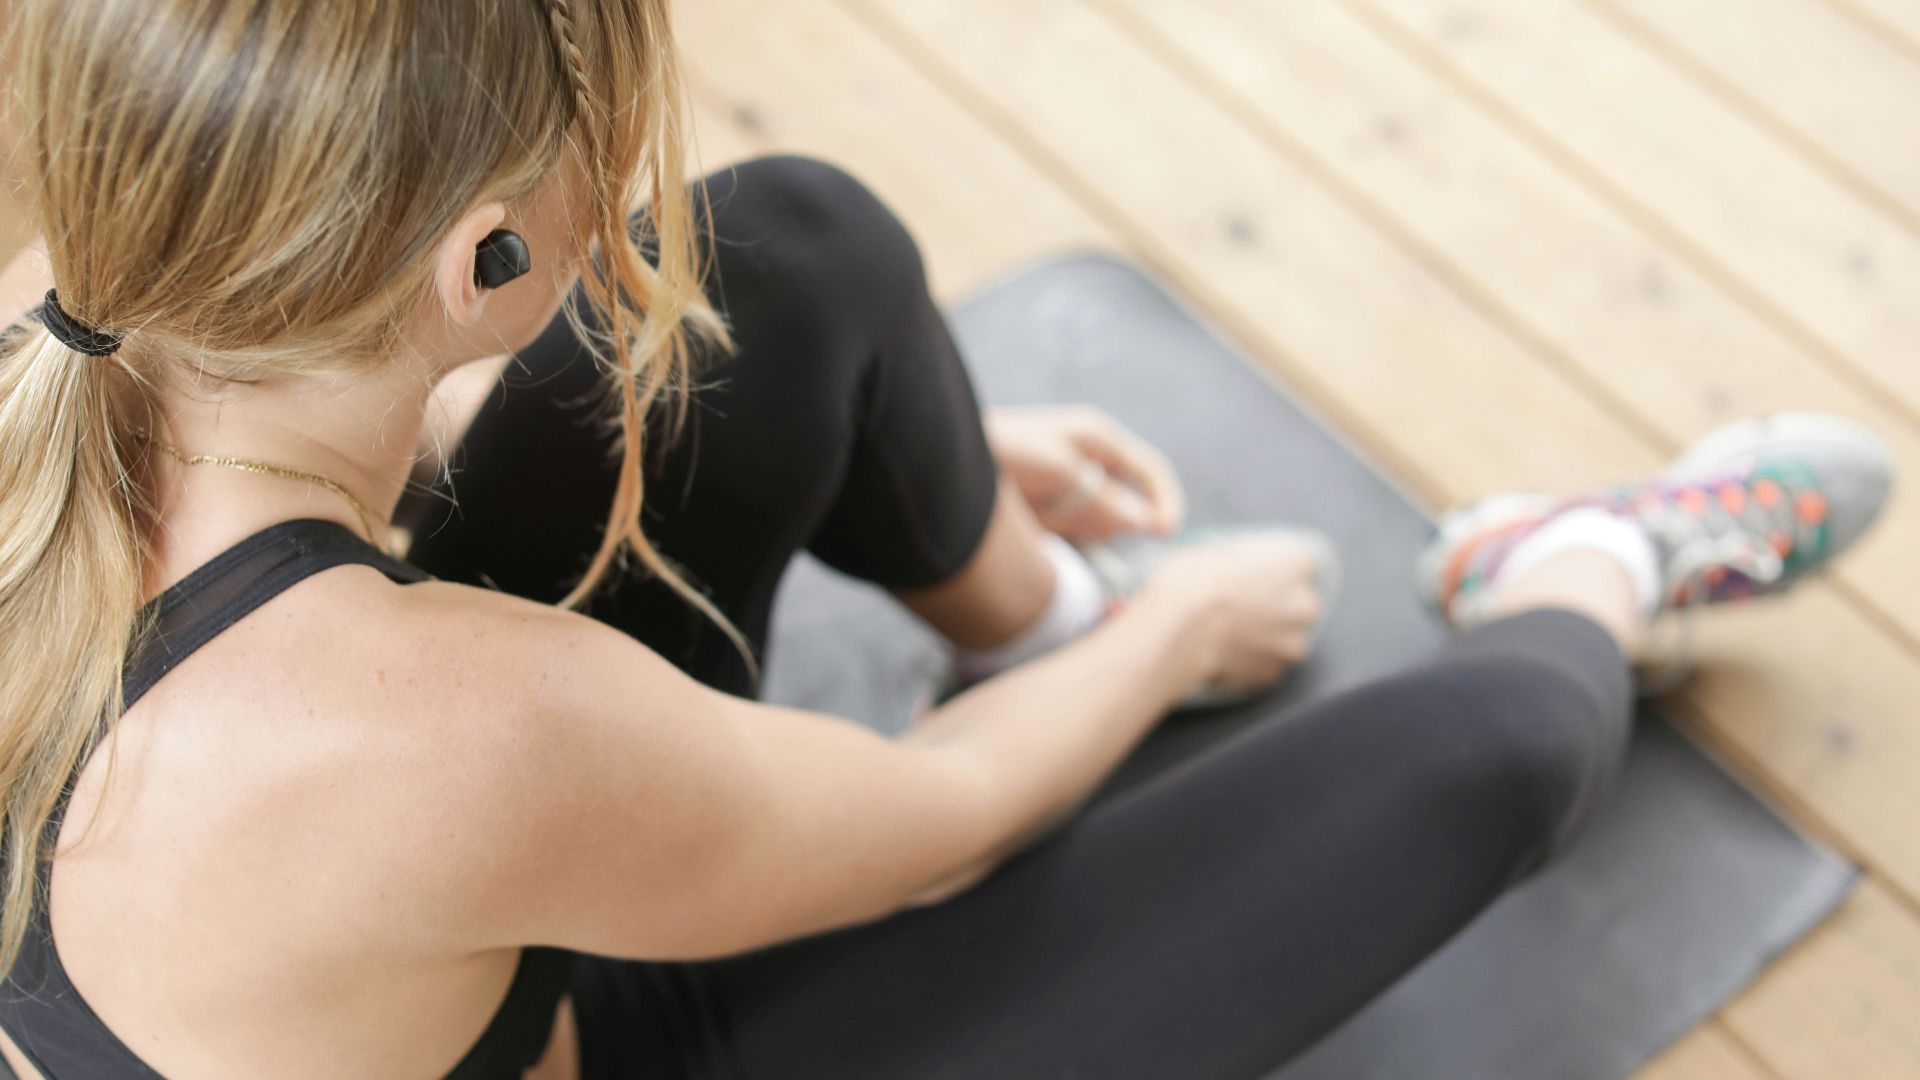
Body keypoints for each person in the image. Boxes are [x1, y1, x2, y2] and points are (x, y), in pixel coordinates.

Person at [0, 2, 1890, 1079]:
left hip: (411, 942)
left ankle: (1019, 601)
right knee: (1504, 746)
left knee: (785, 254)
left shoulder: (72, 319)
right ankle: (1582, 564)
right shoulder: (450, 727)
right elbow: (926, 836)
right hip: (621, 1026)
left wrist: (965, 476)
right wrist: (1164, 636)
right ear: (480, 257)